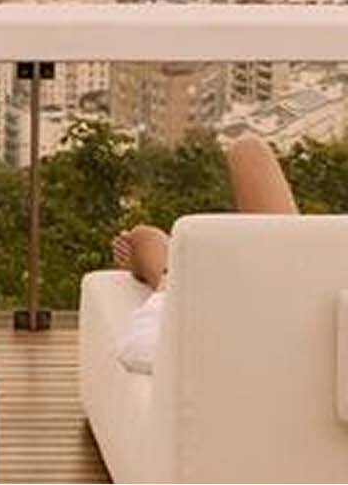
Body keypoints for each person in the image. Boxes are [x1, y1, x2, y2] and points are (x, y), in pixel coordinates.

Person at [108, 136, 298, 372]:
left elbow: (139, 351)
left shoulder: (162, 339)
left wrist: (170, 281)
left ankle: (170, 262)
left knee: (143, 238)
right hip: (274, 302)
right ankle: (171, 260)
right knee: (248, 149)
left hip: (204, 301)